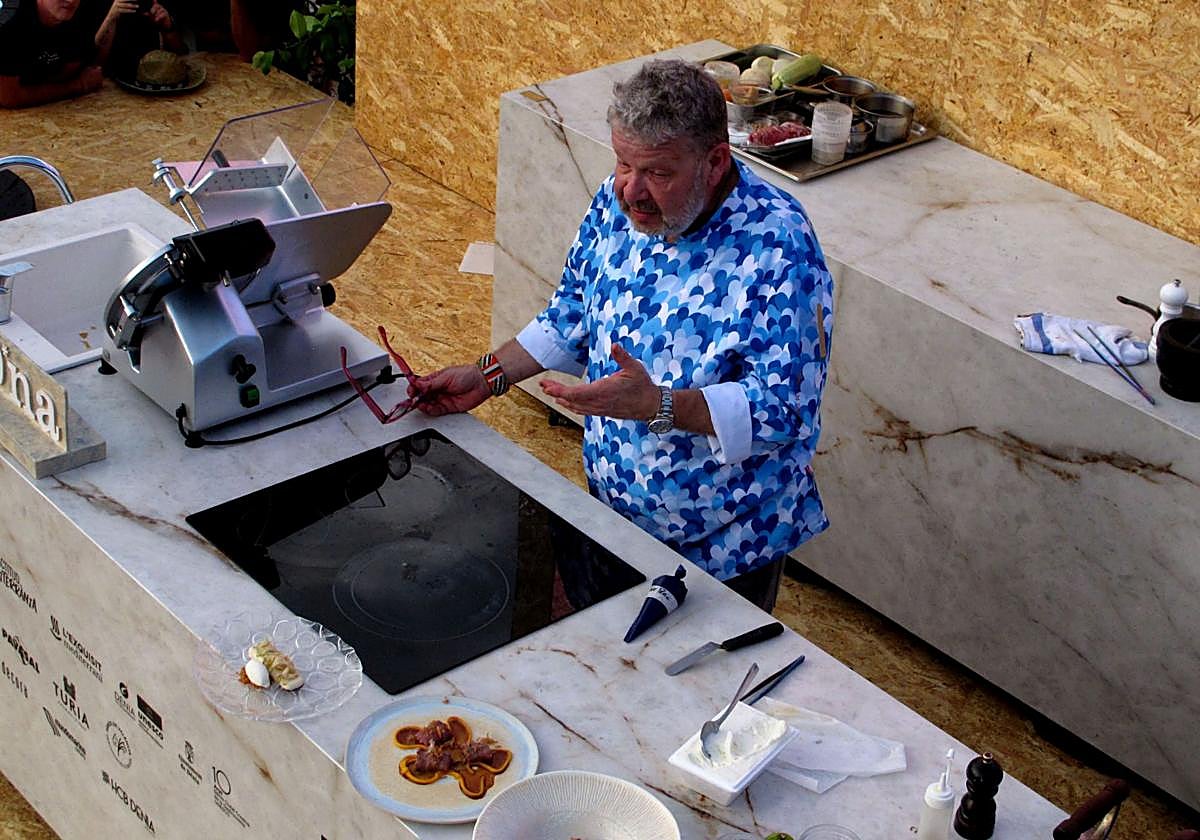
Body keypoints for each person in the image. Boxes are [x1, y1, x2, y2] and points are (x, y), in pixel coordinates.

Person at [410, 59, 835, 613]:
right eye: (622, 162)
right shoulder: (621, 204)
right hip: (610, 514)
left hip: (724, 548)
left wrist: (657, 405)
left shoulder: (780, 247)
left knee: (693, 697)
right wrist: (487, 375)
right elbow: (572, 310)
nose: (630, 190)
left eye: (658, 173)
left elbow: (784, 410)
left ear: (713, 161)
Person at [0, 0, 138, 107]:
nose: (71, 1)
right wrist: (78, 85)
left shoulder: (77, 14)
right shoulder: (12, 23)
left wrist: (111, 19)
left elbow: (84, 69)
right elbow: (9, 97)